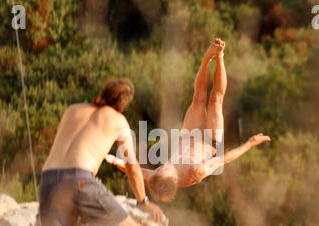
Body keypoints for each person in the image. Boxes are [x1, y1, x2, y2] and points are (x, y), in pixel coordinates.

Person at [34, 78, 166, 226]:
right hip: (79, 179)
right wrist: (143, 201)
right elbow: (132, 167)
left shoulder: (72, 110)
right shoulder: (119, 121)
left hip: (49, 179)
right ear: (124, 103)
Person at [105, 39, 271, 202]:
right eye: (167, 170)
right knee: (215, 101)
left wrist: (116, 161)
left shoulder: (158, 176)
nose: (165, 166)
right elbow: (224, 159)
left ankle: (207, 58)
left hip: (188, 135)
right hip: (210, 142)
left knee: (198, 98)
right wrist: (249, 144)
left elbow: (134, 169)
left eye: (162, 168)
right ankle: (220, 57)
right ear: (175, 181)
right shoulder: (195, 172)